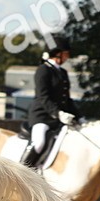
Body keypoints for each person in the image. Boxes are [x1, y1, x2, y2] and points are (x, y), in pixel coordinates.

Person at [22, 35, 83, 169]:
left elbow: (66, 99)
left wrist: (79, 116)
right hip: (42, 116)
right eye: (65, 54)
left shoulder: (63, 72)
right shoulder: (43, 70)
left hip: (60, 118)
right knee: (39, 142)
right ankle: (22, 172)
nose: (67, 57)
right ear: (57, 53)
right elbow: (43, 97)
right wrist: (58, 113)